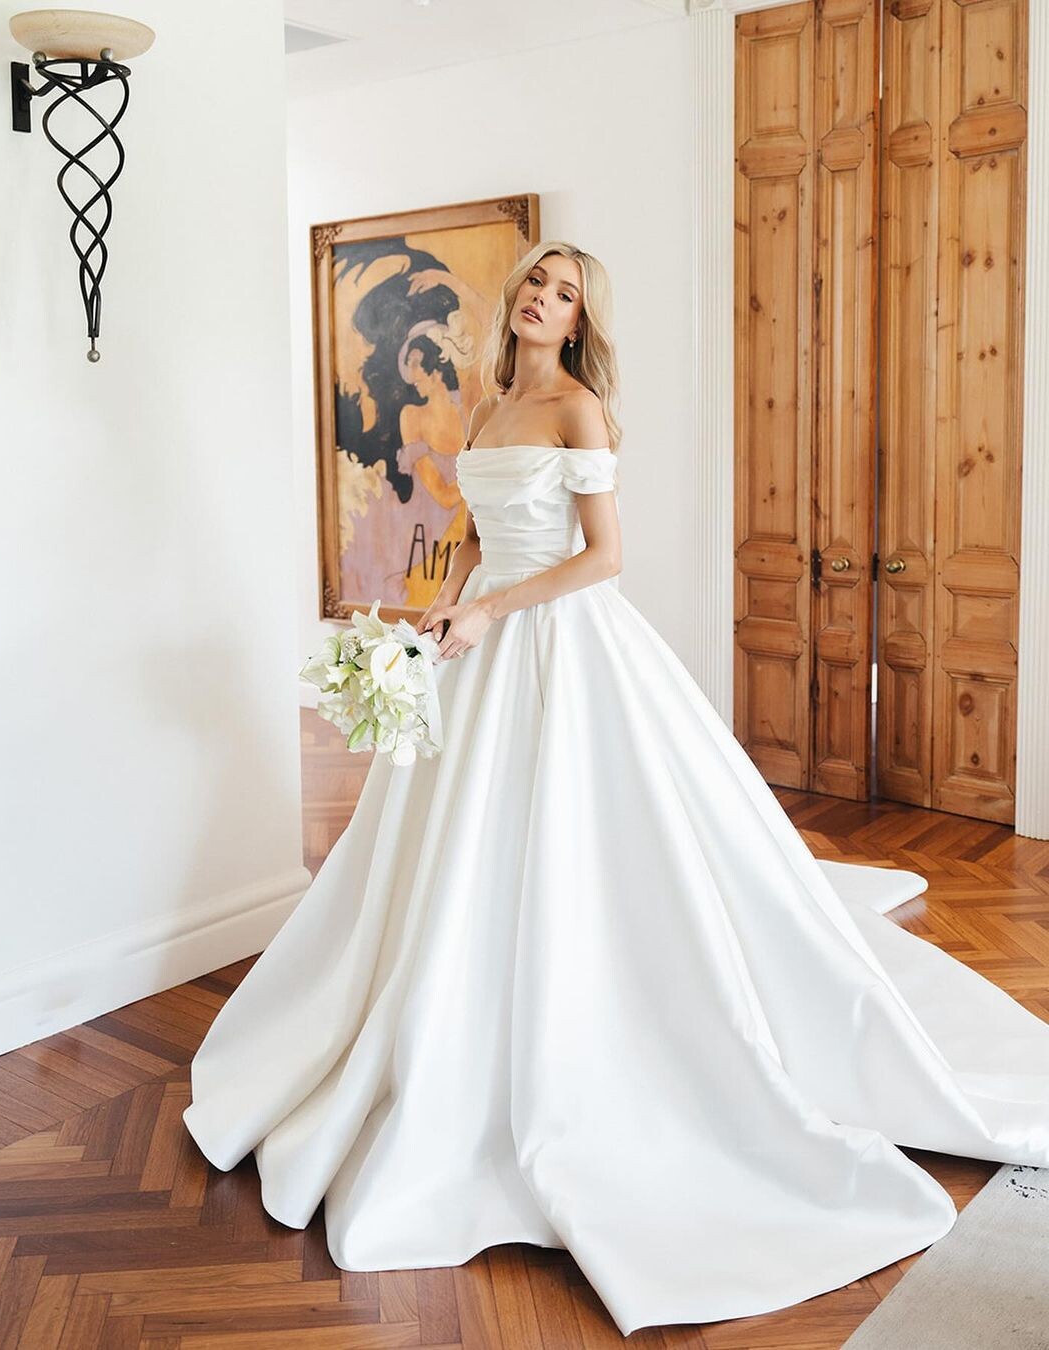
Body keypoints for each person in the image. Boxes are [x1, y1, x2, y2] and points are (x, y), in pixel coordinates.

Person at [183, 240, 1049, 1338]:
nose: (545, 301)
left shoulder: (578, 409)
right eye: (537, 284)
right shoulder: (490, 407)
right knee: (454, 847)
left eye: (567, 294)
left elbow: (603, 558)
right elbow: (474, 536)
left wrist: (495, 609)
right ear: (515, 298)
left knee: (588, 835)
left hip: (565, 643)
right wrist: (445, 606)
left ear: (581, 321)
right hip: (483, 641)